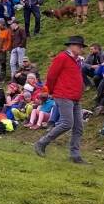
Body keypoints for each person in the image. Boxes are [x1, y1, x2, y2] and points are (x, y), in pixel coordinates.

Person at [34, 35, 87, 163]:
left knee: (79, 127)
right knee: (67, 123)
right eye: (79, 46)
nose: (81, 49)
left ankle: (75, 155)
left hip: (75, 97)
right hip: (64, 95)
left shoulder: (76, 60)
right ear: (72, 46)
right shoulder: (62, 57)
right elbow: (51, 76)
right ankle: (42, 143)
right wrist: (51, 91)